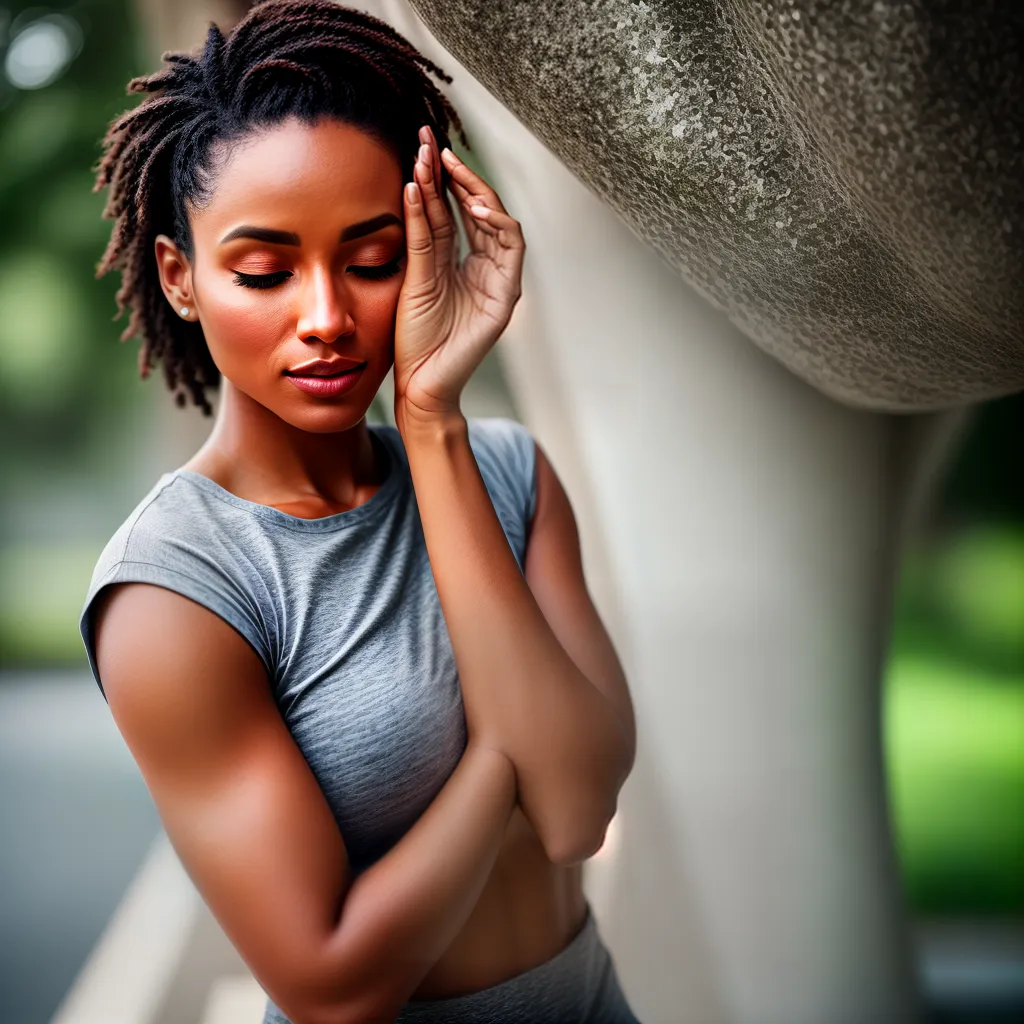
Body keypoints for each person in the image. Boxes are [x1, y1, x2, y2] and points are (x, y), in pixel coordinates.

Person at [78, 1, 640, 1021]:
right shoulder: (177, 587)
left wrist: (430, 424)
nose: (327, 317)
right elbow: (331, 980)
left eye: (373, 259)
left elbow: (576, 814)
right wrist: (502, 751)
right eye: (263, 271)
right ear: (182, 277)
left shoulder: (507, 475)